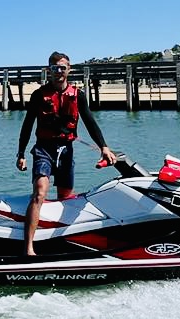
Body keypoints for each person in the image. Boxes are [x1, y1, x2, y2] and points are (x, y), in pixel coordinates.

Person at [17, 51, 117, 256]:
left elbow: (90, 122)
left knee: (64, 198)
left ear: (69, 70)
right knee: (40, 192)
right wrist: (21, 153)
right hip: (44, 149)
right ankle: (28, 248)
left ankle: (59, 239)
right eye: (55, 68)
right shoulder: (39, 95)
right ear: (49, 71)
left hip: (66, 151)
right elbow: (27, 125)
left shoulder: (77, 95)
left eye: (63, 68)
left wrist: (104, 146)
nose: (59, 72)